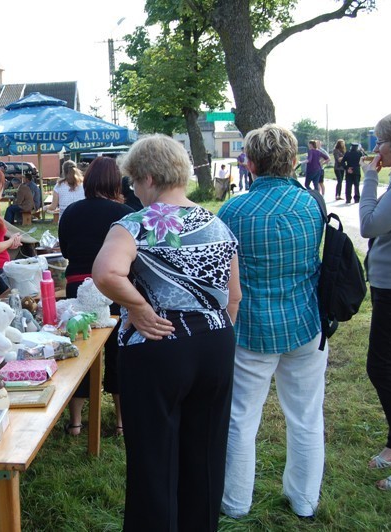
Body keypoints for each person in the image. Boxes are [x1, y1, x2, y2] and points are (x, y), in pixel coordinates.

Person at [92, 135, 241, 530]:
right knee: (206, 452)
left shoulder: (136, 224)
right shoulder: (218, 222)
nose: (134, 192)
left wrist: (138, 307)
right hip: (215, 343)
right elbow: (234, 297)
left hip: (159, 344)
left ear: (149, 178)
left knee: (154, 458)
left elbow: (106, 273)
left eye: (134, 183)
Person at [217, 124, 326, 519]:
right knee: (307, 415)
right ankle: (305, 500)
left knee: (241, 417)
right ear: (293, 160)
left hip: (250, 327)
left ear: (251, 162)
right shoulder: (311, 204)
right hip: (304, 321)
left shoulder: (232, 210)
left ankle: (235, 503)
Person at [58, 156, 134, 437]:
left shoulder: (71, 212)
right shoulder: (125, 213)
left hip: (77, 288)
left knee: (79, 352)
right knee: (117, 352)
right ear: (116, 182)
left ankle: (76, 422)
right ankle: (121, 422)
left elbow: (65, 252)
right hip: (113, 288)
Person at [359, 112, 391, 491]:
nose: (376, 149)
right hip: (389, 286)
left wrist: (370, 178)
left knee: (381, 367)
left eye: (380, 142)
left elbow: (369, 225)